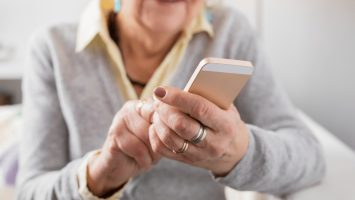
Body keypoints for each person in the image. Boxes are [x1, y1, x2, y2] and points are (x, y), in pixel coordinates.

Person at [16, 0, 326, 199]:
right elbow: (29, 191)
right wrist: (100, 174)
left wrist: (238, 151)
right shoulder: (52, 48)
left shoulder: (230, 32)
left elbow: (310, 158)